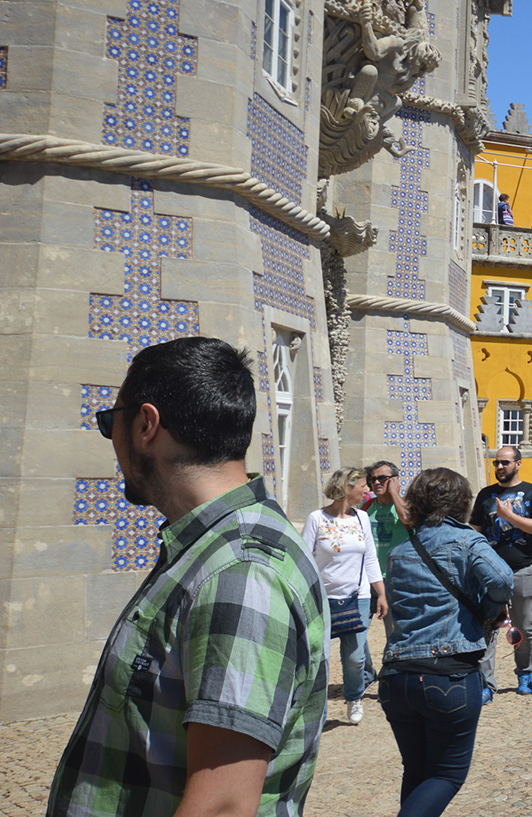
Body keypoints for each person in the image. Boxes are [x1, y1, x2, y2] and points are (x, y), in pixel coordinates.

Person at [48, 337, 328, 816]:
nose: (110, 440)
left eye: (107, 423)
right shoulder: (209, 549)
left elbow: (222, 805)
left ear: (145, 424)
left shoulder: (240, 572)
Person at [378, 466, 517, 817]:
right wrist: (488, 612)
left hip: (398, 675)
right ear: (463, 504)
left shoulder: (398, 552)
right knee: (446, 774)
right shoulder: (467, 540)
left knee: (417, 770)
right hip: (449, 674)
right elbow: (502, 581)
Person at [302, 466, 388, 725]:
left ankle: (353, 697)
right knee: (320, 656)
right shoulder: (317, 519)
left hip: (358, 596)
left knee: (355, 657)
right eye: (363, 485)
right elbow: (304, 559)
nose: (367, 490)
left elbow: (371, 558)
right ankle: (318, 709)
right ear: (346, 487)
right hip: (323, 599)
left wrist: (380, 594)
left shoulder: (362, 518)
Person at [469, 445, 532, 698]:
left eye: (505, 462)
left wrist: (509, 516)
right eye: (496, 463)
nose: (499, 467)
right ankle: (486, 684)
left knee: (524, 626)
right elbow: (475, 530)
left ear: (518, 464)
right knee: (488, 626)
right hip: (490, 572)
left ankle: (524, 673)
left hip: (525, 568)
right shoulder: (486, 494)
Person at [365, 460, 412, 574]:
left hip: (401, 573)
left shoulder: (406, 504)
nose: (376, 482)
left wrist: (394, 492)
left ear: (394, 480)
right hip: (374, 575)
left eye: (382, 478)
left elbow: (407, 518)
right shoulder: (366, 506)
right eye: (373, 479)